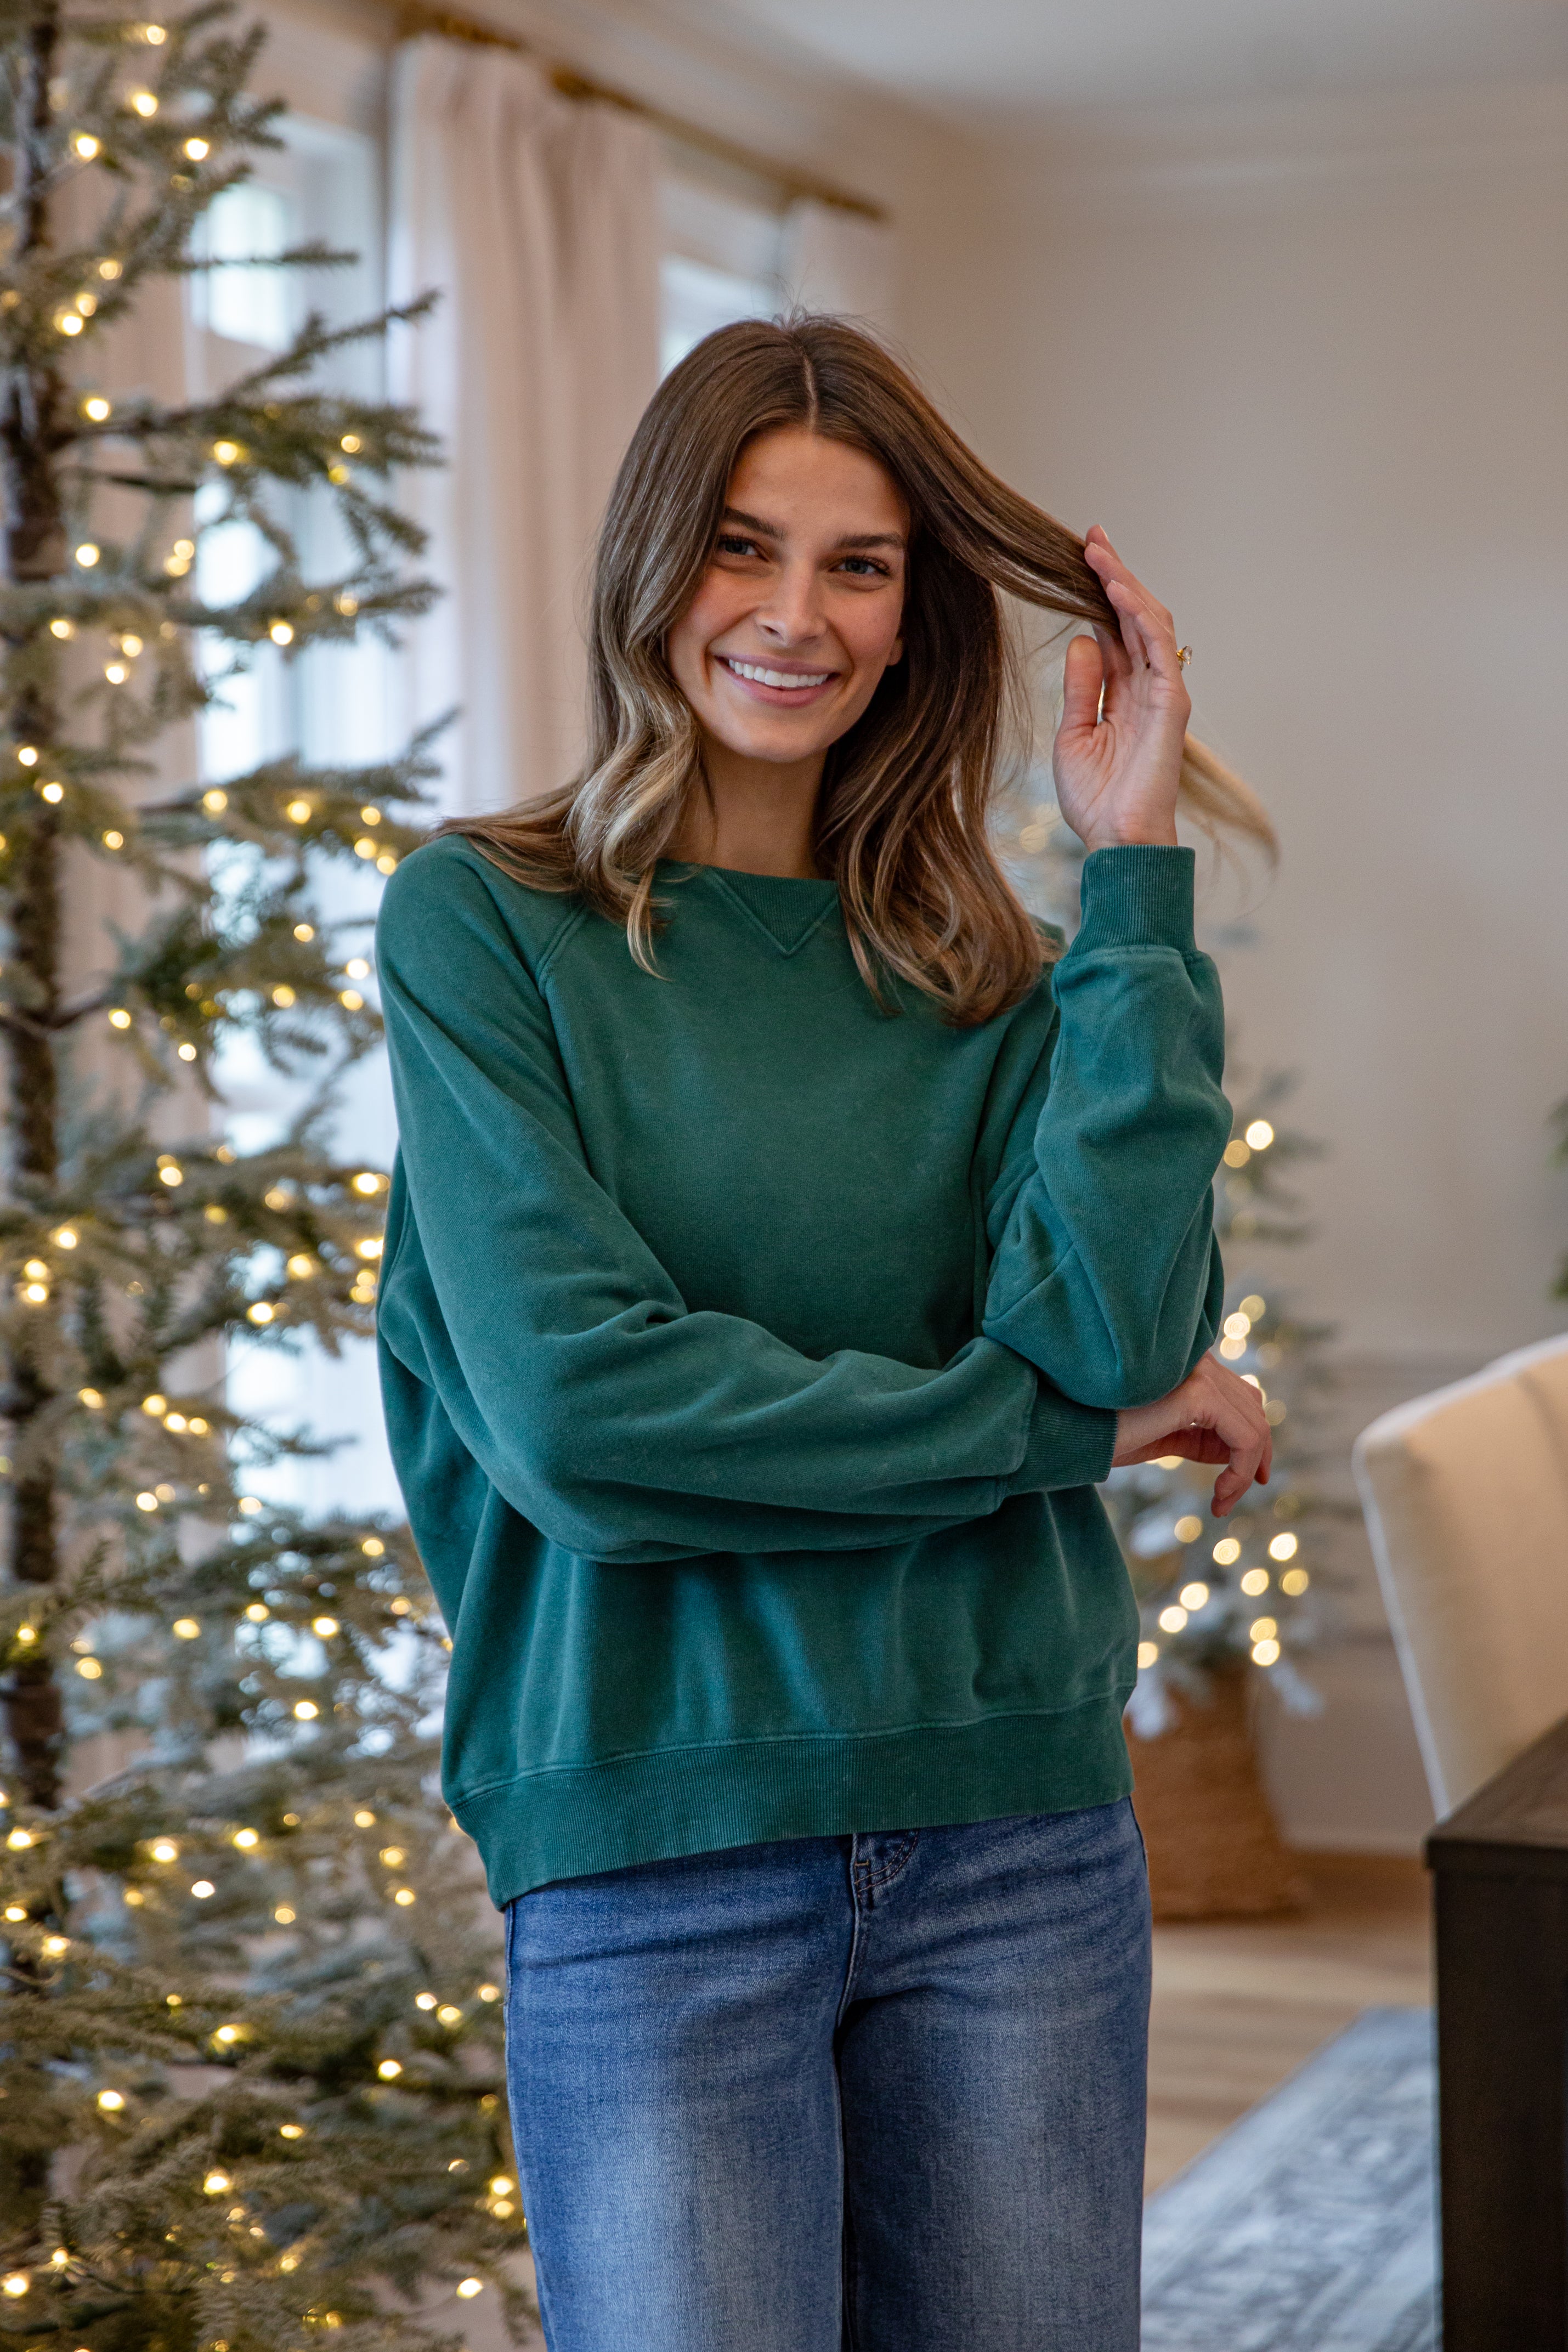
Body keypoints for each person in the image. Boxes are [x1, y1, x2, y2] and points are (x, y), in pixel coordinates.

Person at [375, 314, 1275, 2352]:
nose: (793, 614)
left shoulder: (1006, 972)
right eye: (740, 545)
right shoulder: (484, 925)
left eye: (856, 564)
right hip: (651, 1842)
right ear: (648, 566)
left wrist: (1131, 871)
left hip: (1016, 1835)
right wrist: (1062, 1438)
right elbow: (588, 1425)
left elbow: (1128, 1324)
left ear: (910, 614)